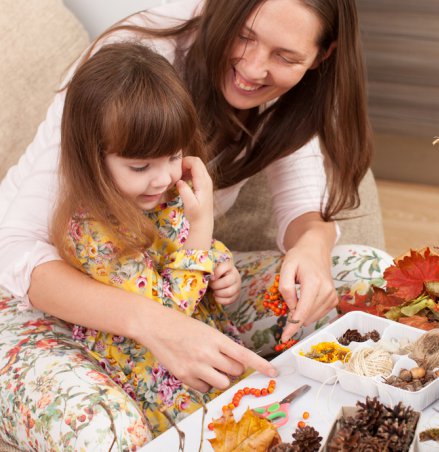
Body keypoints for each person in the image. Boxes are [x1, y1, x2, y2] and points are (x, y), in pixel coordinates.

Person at [0, 0, 392, 442]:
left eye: (285, 57)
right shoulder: (133, 71)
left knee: (369, 279)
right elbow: (15, 247)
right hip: (34, 302)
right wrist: (156, 324)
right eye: (244, 35)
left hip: (169, 284)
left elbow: (303, 203)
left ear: (321, 56)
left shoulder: (288, 95)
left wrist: (311, 252)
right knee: (105, 433)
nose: (253, 67)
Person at [52, 42, 244, 433]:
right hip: (155, 367)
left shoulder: (163, 191)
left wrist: (221, 265)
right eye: (140, 166)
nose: (164, 177)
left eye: (174, 156)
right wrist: (203, 226)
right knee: (217, 428)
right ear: (93, 158)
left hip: (199, 341)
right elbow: (170, 317)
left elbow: (182, 246)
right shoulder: (93, 232)